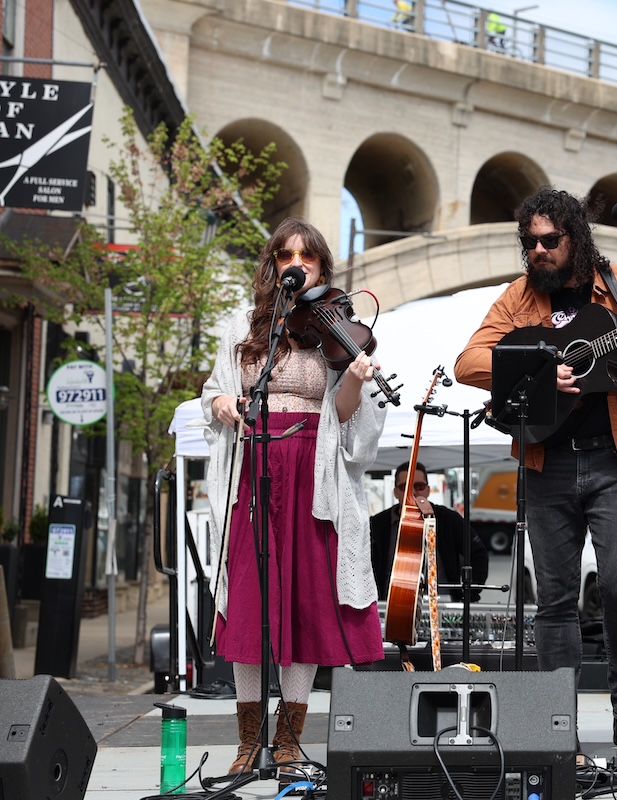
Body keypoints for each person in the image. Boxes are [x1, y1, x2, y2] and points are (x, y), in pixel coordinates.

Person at [454, 187, 617, 753]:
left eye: (549, 241)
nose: (538, 252)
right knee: (555, 598)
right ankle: (560, 721)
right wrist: (538, 363)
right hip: (546, 460)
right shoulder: (517, 298)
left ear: (575, 239)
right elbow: (468, 362)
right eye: (529, 243)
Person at [200, 217, 387, 777]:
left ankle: (287, 742)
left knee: (305, 601)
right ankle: (246, 743)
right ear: (273, 266)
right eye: (286, 255)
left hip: (311, 471)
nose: (296, 264)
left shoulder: (338, 328)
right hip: (253, 466)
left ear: (324, 270)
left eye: (308, 257)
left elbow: (349, 420)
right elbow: (214, 391)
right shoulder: (243, 324)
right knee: (252, 601)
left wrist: (355, 376)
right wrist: (223, 406)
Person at [370, 461, 490, 603]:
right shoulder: (377, 524)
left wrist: (469, 594)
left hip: (441, 606)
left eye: (419, 487)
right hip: (392, 608)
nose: (413, 492)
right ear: (396, 492)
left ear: (427, 490)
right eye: (405, 487)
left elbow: (478, 555)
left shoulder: (449, 519)